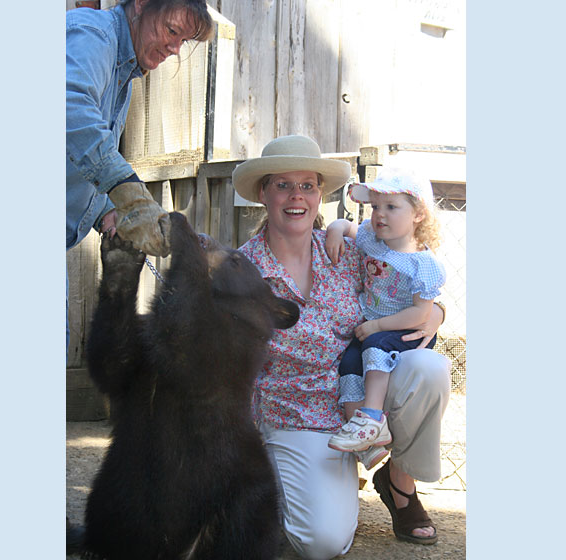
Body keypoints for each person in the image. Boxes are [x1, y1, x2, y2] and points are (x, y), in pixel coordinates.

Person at [232, 135, 451, 557]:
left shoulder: (347, 251)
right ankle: (292, 478)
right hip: (298, 417)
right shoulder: (242, 273)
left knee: (428, 369)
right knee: (323, 542)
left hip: (366, 400)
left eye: (307, 186)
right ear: (263, 193)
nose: (296, 196)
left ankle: (399, 483)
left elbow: (403, 289)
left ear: (319, 195)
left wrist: (436, 312)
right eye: (283, 185)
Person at [66, 0, 214, 349]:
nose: (175, 49)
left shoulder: (124, 75)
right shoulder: (93, 35)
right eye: (172, 30)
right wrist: (130, 196)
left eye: (183, 40)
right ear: (141, 4)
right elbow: (69, 108)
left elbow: (75, 157)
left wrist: (108, 212)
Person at [325, 168, 446, 468]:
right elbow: (347, 226)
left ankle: (372, 417)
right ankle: (363, 439)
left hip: (403, 331)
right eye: (375, 206)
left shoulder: (422, 264)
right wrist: (336, 229)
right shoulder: (371, 239)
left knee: (374, 346)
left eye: (391, 207)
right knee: (348, 366)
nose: (380, 214)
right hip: (370, 328)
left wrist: (378, 326)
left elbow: (421, 313)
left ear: (418, 214)